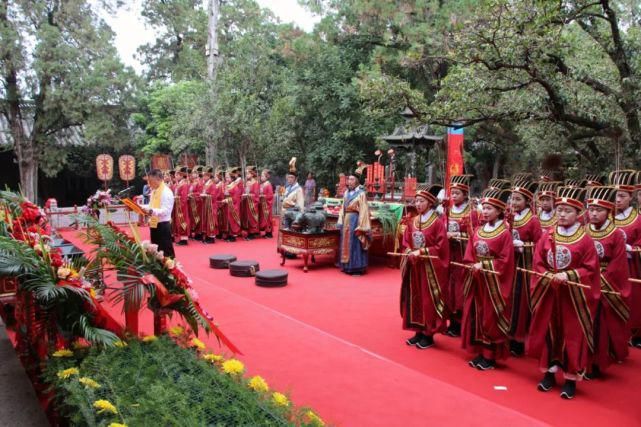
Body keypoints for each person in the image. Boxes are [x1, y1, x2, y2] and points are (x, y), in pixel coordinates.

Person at [528, 185, 599, 400]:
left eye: (568, 211)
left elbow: (590, 268)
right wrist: (546, 276)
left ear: (579, 214)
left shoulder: (585, 240)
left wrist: (569, 276)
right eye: (560, 210)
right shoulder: (548, 235)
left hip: (573, 298)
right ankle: (549, 374)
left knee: (572, 335)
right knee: (551, 333)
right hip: (550, 294)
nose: (562, 215)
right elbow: (538, 261)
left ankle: (570, 379)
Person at [462, 187, 514, 371]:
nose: (485, 211)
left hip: (494, 284)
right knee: (477, 314)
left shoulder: (504, 233)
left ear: (499, 211)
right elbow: (470, 252)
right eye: (484, 208)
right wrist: (471, 265)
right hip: (478, 281)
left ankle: (490, 356)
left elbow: (505, 261)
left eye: (490, 208)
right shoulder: (478, 230)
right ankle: (480, 351)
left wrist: (484, 266)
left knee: (490, 317)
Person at [584, 185, 630, 379]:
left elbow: (617, 265)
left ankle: (597, 363)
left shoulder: (616, 234)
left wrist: (599, 282)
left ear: (608, 211)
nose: (594, 213)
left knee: (599, 326)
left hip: (604, 284)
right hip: (584, 283)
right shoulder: (583, 231)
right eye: (591, 209)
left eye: (599, 210)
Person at [400, 185, 450, 349]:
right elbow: (406, 240)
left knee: (428, 300)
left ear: (430, 203)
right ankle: (417, 330)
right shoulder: (413, 221)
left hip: (429, 269)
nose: (418, 204)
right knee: (415, 298)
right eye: (416, 201)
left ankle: (428, 334)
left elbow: (441, 247)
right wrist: (408, 250)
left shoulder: (437, 223)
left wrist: (422, 251)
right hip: (415, 267)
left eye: (421, 201)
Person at [508, 180, 542, 356]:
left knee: (520, 303)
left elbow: (540, 246)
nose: (514, 203)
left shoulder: (533, 220)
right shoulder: (509, 217)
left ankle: (519, 340)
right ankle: (507, 335)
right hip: (510, 266)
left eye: (518, 199)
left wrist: (523, 246)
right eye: (512, 199)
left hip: (524, 267)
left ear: (527, 201)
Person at [609, 170, 641, 348]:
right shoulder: (608, 218)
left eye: (622, 196)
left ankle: (635, 333)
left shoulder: (638, 220)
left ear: (631, 196)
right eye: (615, 196)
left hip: (631, 267)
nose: (618, 200)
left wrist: (631, 249)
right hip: (611, 269)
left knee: (633, 301)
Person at [444, 175, 478, 337]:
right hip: (450, 254)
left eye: (458, 193)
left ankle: (460, 322)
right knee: (449, 287)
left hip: (463, 254)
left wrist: (457, 235)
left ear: (465, 194)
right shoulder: (448, 211)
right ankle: (450, 319)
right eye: (452, 193)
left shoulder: (471, 213)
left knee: (460, 288)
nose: (454, 196)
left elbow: (476, 235)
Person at [336, 169, 371, 275]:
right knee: (346, 243)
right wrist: (340, 220)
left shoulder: (361, 194)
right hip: (346, 220)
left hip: (356, 221)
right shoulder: (346, 193)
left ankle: (357, 268)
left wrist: (362, 226)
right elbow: (343, 208)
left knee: (355, 244)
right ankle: (346, 266)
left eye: (352, 179)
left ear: (356, 181)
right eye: (348, 179)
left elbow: (364, 211)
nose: (349, 182)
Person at [141, 169, 175, 258]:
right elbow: (151, 205)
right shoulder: (154, 191)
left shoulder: (166, 192)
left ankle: (170, 269)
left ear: (158, 179)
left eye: (151, 181)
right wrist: (140, 207)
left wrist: (152, 211)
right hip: (154, 223)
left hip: (163, 225)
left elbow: (166, 211)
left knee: (166, 252)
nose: (149, 184)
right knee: (155, 251)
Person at [199, 166, 219, 244]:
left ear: (208, 176)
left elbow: (213, 196)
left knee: (211, 221)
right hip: (206, 206)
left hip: (211, 206)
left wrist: (206, 195)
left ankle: (211, 238)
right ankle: (207, 236)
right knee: (206, 221)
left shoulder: (212, 184)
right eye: (203, 175)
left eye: (205, 175)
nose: (203, 177)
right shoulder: (205, 184)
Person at [172, 166, 191, 246]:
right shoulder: (179, 184)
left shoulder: (184, 185)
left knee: (183, 221)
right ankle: (181, 238)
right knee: (178, 222)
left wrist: (176, 198)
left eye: (177, 175)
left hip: (182, 207)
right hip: (178, 206)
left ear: (181, 175)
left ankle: (184, 239)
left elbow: (184, 198)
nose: (175, 176)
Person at [224, 167, 243, 242]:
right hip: (229, 205)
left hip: (233, 206)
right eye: (226, 177)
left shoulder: (234, 187)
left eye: (228, 177)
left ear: (232, 178)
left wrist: (227, 200)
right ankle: (229, 234)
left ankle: (233, 236)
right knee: (229, 220)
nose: (226, 178)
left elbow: (235, 198)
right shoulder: (229, 185)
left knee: (233, 221)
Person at [242, 166, 261, 240]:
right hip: (247, 203)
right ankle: (249, 232)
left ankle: (252, 233)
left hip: (253, 203)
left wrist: (248, 195)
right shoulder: (247, 182)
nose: (247, 175)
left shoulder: (255, 183)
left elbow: (256, 195)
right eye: (246, 174)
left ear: (252, 174)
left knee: (252, 218)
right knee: (248, 218)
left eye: (248, 174)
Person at [188, 166, 204, 240]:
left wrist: (192, 195)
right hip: (193, 202)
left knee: (198, 218)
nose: (193, 174)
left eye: (194, 173)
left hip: (198, 203)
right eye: (193, 173)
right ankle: (195, 232)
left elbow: (200, 193)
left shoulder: (199, 182)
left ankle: (199, 233)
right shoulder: (193, 182)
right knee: (193, 218)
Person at [259, 169, 274, 238]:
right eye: (261, 176)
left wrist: (263, 196)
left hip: (267, 205)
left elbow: (270, 195)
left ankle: (269, 233)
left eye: (262, 176)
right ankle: (266, 231)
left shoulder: (268, 185)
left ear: (266, 177)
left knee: (268, 219)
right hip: (263, 204)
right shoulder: (262, 185)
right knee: (264, 219)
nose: (261, 177)